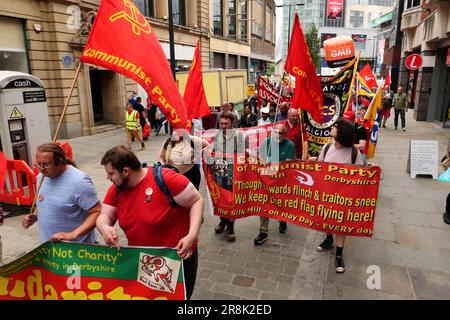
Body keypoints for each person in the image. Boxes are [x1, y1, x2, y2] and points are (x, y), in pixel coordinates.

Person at [97, 146, 203, 300]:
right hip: (144, 263)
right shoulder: (117, 189)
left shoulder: (167, 179)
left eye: (111, 173)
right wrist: (104, 227)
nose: (108, 177)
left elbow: (196, 201)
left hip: (176, 260)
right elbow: (104, 216)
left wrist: (192, 235)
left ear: (126, 171)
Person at [309, 119, 364, 273]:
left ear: (342, 133)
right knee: (326, 218)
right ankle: (328, 239)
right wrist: (314, 162)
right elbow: (321, 166)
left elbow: (361, 173)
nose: (333, 127)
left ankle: (339, 254)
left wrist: (370, 169)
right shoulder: (326, 147)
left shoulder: (354, 152)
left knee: (340, 224)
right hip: (326, 193)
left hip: (343, 196)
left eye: (336, 126)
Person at [22, 143, 101, 243]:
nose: (41, 169)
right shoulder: (41, 178)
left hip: (78, 248)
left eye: (46, 164)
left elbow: (96, 212)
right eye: (38, 164)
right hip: (51, 247)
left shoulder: (79, 182)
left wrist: (72, 235)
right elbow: (43, 202)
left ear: (60, 161)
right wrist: (34, 216)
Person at [209, 112, 249, 242]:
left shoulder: (240, 136)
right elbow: (212, 151)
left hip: (235, 173)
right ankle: (223, 221)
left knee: (232, 200)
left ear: (232, 123)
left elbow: (245, 154)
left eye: (226, 123)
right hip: (220, 172)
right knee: (221, 198)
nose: (224, 126)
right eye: (222, 123)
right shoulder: (216, 135)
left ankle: (231, 226)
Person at [254, 123, 296, 245]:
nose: (277, 135)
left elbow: (288, 166)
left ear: (285, 134)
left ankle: (282, 220)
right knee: (264, 204)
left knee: (280, 204)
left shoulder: (290, 145)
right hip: (266, 179)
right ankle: (263, 232)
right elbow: (259, 159)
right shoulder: (266, 142)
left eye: (280, 133)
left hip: (281, 181)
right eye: (275, 132)